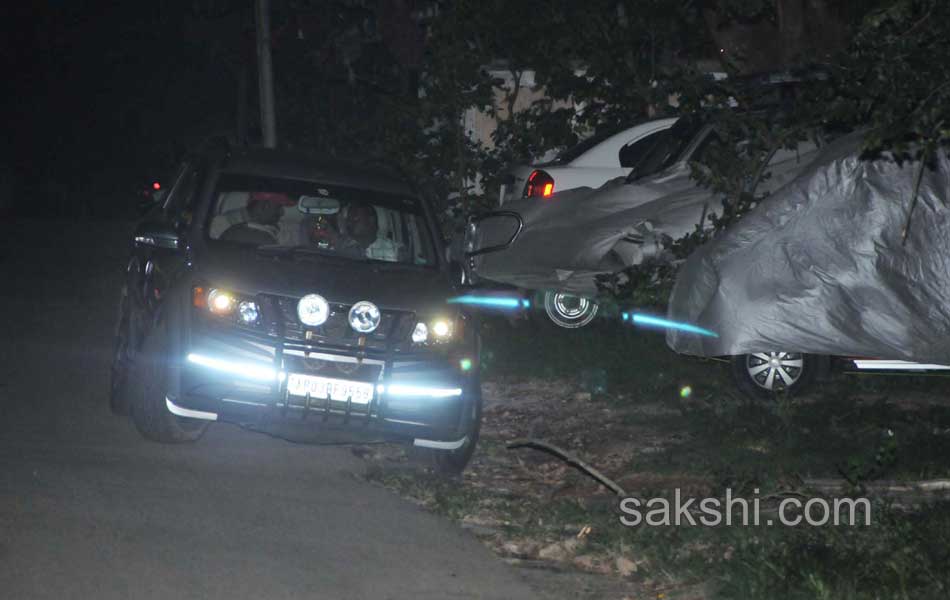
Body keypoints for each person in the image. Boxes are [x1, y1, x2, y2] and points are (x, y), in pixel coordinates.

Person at [314, 203, 401, 261]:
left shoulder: (396, 250)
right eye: (348, 219)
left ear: (371, 220)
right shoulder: (336, 248)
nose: (349, 222)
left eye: (355, 218)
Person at [219, 192, 291, 245]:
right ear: (263, 206)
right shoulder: (222, 223)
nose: (282, 213)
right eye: (279, 207)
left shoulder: (283, 229)